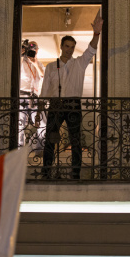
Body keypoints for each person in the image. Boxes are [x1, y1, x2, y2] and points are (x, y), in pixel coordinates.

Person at [36, 11, 103, 179]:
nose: (70, 50)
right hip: (56, 104)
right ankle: (46, 172)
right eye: (67, 46)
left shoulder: (79, 63)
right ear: (61, 47)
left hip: (73, 104)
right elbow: (44, 90)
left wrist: (96, 33)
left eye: (72, 47)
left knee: (75, 141)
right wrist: (39, 111)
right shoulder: (51, 67)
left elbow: (92, 49)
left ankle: (75, 173)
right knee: (51, 139)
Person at [19, 40, 45, 147]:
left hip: (34, 96)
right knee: (20, 123)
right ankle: (19, 148)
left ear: (37, 51)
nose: (33, 52)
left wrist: (35, 64)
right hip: (22, 95)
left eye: (35, 49)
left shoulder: (38, 64)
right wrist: (20, 54)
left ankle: (39, 149)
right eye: (30, 50)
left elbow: (44, 75)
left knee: (41, 123)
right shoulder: (21, 62)